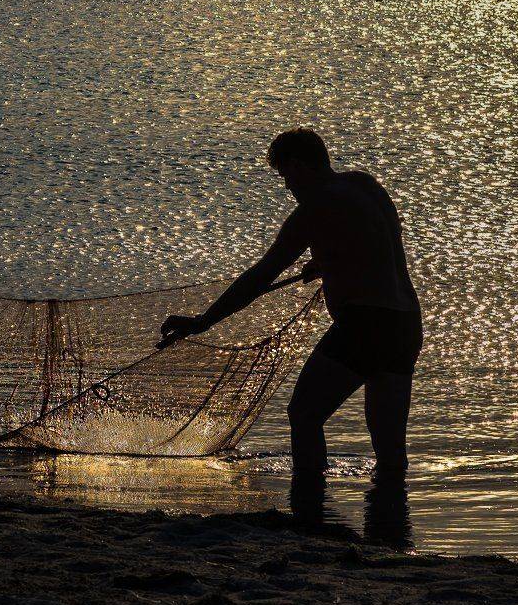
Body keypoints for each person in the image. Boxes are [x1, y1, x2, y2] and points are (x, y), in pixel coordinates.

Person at [160, 128, 422, 484]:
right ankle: (390, 531)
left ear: (299, 166)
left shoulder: (314, 209)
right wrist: (330, 260)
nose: (287, 187)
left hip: (364, 325)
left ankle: (311, 512)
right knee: (390, 452)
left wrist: (203, 321)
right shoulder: (366, 186)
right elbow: (375, 244)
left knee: (304, 414)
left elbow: (262, 275)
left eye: (285, 176)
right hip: (405, 325)